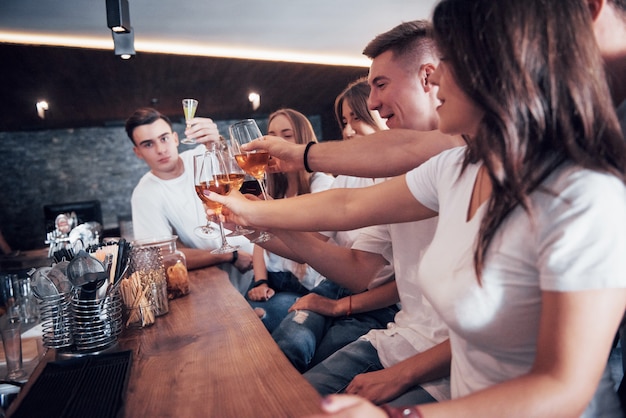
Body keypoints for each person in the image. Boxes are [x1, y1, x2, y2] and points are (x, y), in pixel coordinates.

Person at [209, 0, 626, 416]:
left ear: (502, 61)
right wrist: (245, 212)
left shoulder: (585, 196)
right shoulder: (456, 168)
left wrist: (402, 414)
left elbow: (563, 386)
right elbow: (347, 203)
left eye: (447, 58)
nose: (436, 75)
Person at [232, 21, 462, 405]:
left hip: (440, 364)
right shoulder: (429, 170)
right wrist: (252, 219)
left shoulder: (459, 154)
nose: (370, 104)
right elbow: (353, 245)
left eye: (381, 85)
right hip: (400, 339)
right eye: (345, 121)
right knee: (277, 396)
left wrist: (297, 157)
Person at [125, 108, 254, 294]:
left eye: (164, 138)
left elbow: (245, 172)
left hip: (270, 254)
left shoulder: (203, 155)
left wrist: (218, 142)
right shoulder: (144, 193)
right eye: (148, 144)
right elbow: (160, 257)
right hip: (234, 282)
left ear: (176, 138)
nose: (161, 149)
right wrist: (229, 255)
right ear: (138, 152)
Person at [246, 108, 335, 332]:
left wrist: (257, 214)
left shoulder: (322, 183)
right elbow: (260, 240)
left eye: (287, 136)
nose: (278, 143)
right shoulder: (277, 187)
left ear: (303, 140)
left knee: (259, 322)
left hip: (303, 287)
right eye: (272, 136)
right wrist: (260, 281)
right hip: (272, 280)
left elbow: (309, 242)